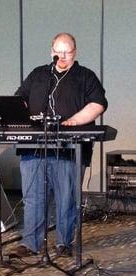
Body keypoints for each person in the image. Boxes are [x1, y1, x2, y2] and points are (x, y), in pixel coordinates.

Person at [13, 32, 108, 258]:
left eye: (67, 52)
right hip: (34, 148)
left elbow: (98, 103)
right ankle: (31, 243)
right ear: (51, 51)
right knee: (33, 198)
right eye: (58, 51)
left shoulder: (85, 76)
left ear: (74, 53)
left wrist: (74, 121)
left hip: (69, 149)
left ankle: (64, 242)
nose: (62, 56)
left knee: (67, 198)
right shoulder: (39, 74)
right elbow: (19, 98)